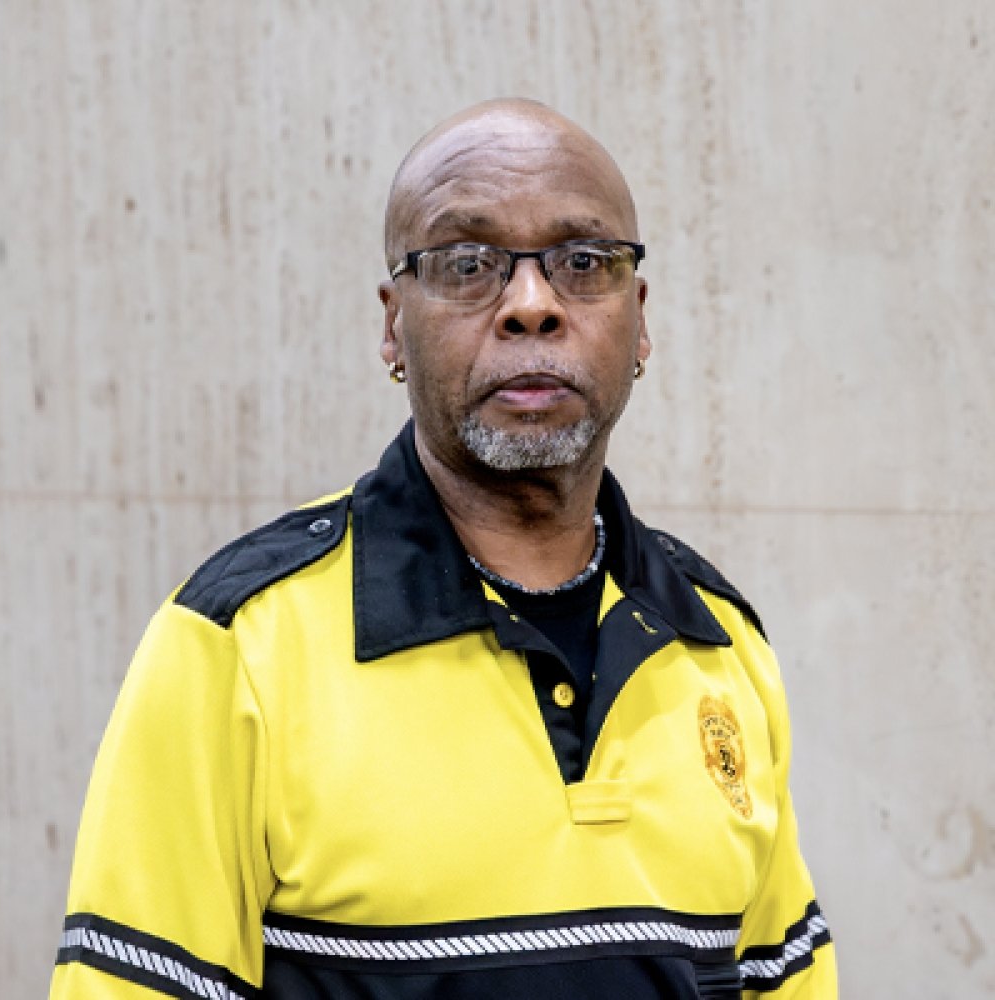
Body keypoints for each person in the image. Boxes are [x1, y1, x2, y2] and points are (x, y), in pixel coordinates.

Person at [50, 99, 837, 999]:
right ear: (393, 324)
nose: (532, 306)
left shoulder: (719, 643)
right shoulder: (236, 644)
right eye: (469, 264)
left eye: (584, 263)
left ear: (640, 320)